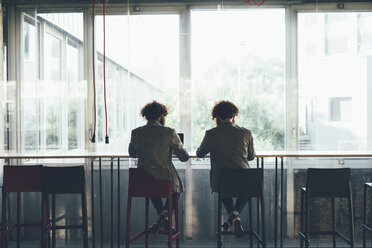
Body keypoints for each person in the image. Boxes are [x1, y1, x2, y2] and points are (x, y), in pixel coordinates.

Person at [196, 100, 255, 238]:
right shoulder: (246, 132)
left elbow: (199, 154)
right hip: (245, 180)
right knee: (247, 190)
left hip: (223, 180)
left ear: (217, 117)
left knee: (223, 186)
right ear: (234, 115)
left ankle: (232, 219)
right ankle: (233, 218)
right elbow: (251, 157)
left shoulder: (211, 133)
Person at [128, 100, 189, 234]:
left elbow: (132, 153)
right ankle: (165, 216)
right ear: (162, 115)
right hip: (164, 179)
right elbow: (184, 157)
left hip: (142, 181)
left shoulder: (136, 132)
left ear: (145, 116)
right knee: (177, 188)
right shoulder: (169, 132)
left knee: (152, 185)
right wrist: (171, 149)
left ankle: (161, 217)